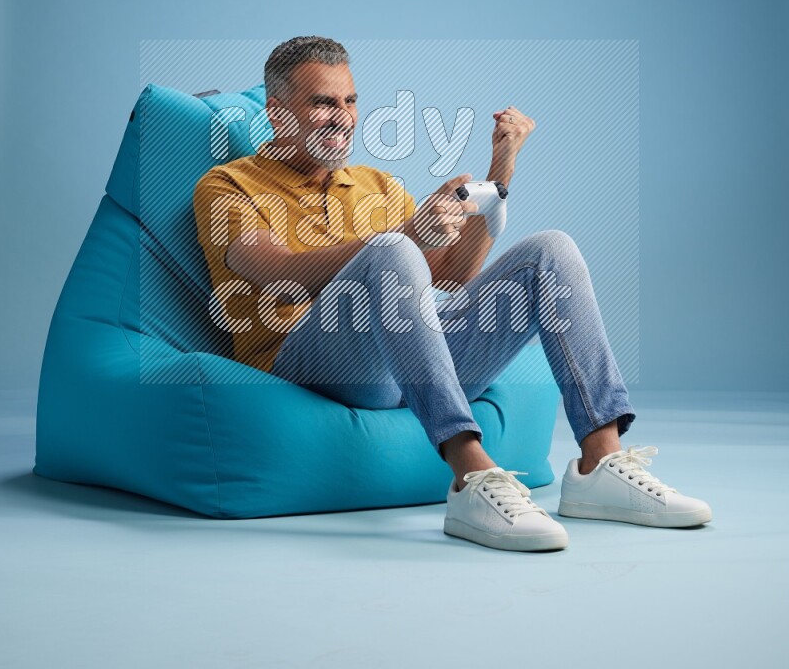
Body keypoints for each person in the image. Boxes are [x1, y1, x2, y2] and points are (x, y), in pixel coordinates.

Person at [193, 36, 712, 552]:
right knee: (392, 249)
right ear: (278, 112)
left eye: (350, 101)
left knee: (549, 251)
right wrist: (405, 239)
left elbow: (452, 279)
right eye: (324, 103)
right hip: (309, 367)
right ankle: (470, 479)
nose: (344, 117)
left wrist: (497, 177)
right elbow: (272, 267)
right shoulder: (227, 185)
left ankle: (600, 461)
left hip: (405, 365)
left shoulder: (376, 184)